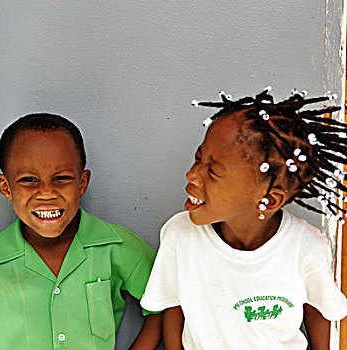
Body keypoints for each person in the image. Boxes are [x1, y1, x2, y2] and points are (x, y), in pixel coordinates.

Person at [140, 87, 347, 349]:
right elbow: (172, 303)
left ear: (269, 199)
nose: (192, 175)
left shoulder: (306, 247)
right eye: (198, 158)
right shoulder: (179, 235)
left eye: (213, 171)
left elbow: (320, 310)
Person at [0, 113, 161, 349]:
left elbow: (166, 301)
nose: (47, 192)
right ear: (5, 187)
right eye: (29, 180)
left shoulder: (115, 246)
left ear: (82, 183)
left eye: (61, 178)